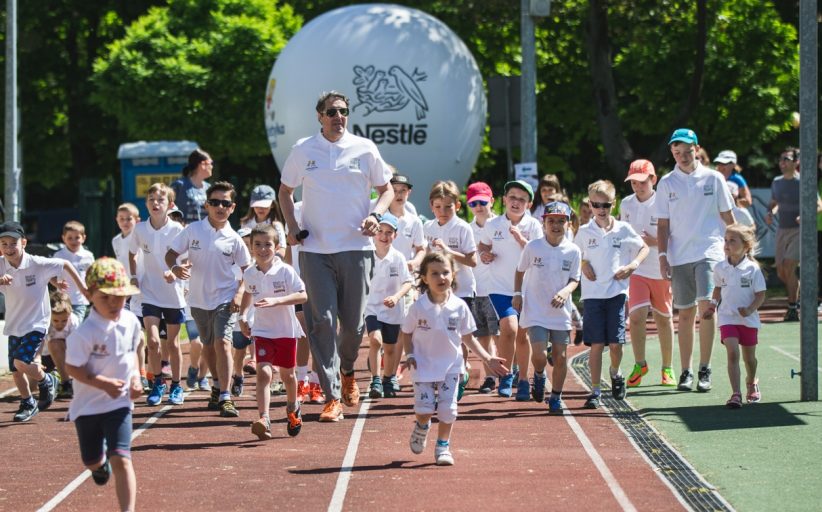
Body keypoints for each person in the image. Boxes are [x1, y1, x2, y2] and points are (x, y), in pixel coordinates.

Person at [278, 90, 394, 422]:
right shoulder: (303, 149)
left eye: (343, 111)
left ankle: (347, 371)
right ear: (320, 116)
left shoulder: (365, 148)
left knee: (354, 327)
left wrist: (376, 215)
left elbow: (385, 190)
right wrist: (292, 226)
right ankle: (331, 397)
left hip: (357, 248)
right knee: (322, 323)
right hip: (315, 250)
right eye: (331, 112)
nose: (338, 117)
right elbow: (285, 191)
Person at [401, 252, 507, 466]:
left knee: (448, 409)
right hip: (422, 365)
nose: (441, 277)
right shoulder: (418, 307)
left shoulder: (459, 306)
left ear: (453, 275)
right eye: (434, 273)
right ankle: (422, 426)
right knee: (424, 410)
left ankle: (443, 446)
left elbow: (468, 338)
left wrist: (488, 358)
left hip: (451, 365)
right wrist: (410, 354)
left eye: (445, 272)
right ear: (424, 278)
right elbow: (406, 333)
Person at [656, 128, 735, 392]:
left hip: (709, 252)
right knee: (686, 314)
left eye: (687, 151)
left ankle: (705, 368)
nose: (683, 156)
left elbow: (728, 218)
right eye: (677, 152)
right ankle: (686, 371)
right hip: (679, 256)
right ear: (672, 153)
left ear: (697, 149)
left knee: (707, 309)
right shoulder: (666, 183)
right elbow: (663, 225)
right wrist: (663, 256)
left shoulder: (714, 178)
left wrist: (738, 250)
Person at [166, 181, 252, 418]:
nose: (220, 207)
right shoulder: (193, 230)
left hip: (225, 299)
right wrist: (175, 268)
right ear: (207, 205)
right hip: (198, 300)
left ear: (232, 208)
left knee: (223, 343)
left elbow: (248, 271)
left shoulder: (234, 238)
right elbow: (171, 253)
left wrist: (238, 294)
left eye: (225, 203)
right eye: (215, 202)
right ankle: (216, 386)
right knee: (209, 346)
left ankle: (225, 396)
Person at [64, 257, 142, 512]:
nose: (113, 303)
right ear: (89, 295)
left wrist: (136, 377)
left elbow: (133, 352)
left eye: (119, 297)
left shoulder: (130, 321)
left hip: (119, 404)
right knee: (92, 460)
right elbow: (72, 368)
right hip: (87, 407)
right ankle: (99, 467)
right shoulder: (83, 334)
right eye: (105, 297)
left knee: (121, 458)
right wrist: (103, 383)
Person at [0, 221, 89, 422]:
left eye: (13, 243)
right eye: (4, 244)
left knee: (21, 362)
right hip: (14, 324)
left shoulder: (37, 262)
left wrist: (82, 288)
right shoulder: (1, 264)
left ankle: (47, 379)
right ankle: (27, 402)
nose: (9, 248)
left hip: (37, 323)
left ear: (23, 243)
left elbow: (65, 264)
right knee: (15, 371)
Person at [575, 180, 648, 409]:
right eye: (596, 205)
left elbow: (644, 248)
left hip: (617, 293)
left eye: (605, 205)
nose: (601, 209)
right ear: (590, 205)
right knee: (596, 344)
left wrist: (633, 265)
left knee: (616, 345)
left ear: (613, 204)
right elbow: (574, 255)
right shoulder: (584, 232)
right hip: (593, 295)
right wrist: (583, 264)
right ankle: (595, 390)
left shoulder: (623, 229)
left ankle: (616, 373)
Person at [478, 180, 543, 400]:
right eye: (512, 197)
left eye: (522, 199)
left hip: (526, 288)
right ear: (504, 199)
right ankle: (506, 376)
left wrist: (521, 240)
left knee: (522, 335)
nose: (516, 202)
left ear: (529, 204)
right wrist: (484, 254)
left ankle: (523, 379)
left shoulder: (533, 226)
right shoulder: (492, 224)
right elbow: (483, 244)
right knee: (509, 327)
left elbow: (539, 255)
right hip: (499, 287)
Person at [240, 223, 307, 438]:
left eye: (267, 244)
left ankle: (293, 408)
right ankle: (264, 418)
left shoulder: (285, 270)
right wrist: (243, 316)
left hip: (286, 331)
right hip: (262, 331)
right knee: (263, 373)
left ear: (276, 247)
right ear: (251, 247)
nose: (262, 249)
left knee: (288, 375)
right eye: (257, 244)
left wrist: (277, 301)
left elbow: (303, 295)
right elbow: (248, 293)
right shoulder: (250, 273)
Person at [513, 201, 580, 413]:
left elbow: (575, 279)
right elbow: (519, 271)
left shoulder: (573, 251)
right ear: (544, 223)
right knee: (540, 355)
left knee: (560, 357)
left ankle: (556, 397)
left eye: (561, 221)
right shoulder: (533, 247)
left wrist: (565, 291)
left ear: (568, 224)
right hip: (536, 309)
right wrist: (517, 294)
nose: (556, 225)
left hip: (560, 311)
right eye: (551, 221)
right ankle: (539, 375)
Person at [619, 160, 677, 388]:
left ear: (653, 180)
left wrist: (655, 242)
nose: (638, 186)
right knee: (636, 317)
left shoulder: (664, 202)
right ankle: (640, 364)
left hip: (661, 270)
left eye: (642, 182)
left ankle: (667, 368)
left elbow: (676, 235)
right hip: (637, 270)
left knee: (663, 319)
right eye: (633, 182)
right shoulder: (626, 204)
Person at [129, 183, 187, 406]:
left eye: (160, 200)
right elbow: (132, 253)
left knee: (172, 344)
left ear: (170, 205)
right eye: (151, 199)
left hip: (173, 294)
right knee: (152, 341)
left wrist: (175, 272)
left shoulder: (178, 230)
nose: (155, 203)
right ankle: (157, 383)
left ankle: (176, 385)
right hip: (149, 293)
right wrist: (134, 276)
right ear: (146, 204)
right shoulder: (140, 229)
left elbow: (188, 259)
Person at [423, 180, 478, 399]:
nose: (443, 211)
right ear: (431, 206)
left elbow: (472, 261)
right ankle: (442, 376)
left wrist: (448, 251)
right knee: (438, 335)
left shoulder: (463, 227)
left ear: (457, 205)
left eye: (448, 206)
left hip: (462, 289)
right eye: (438, 207)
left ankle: (460, 373)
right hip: (436, 292)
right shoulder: (428, 228)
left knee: (460, 335)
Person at [703, 224, 766, 408]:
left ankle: (752, 381)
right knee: (732, 353)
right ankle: (736, 394)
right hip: (727, 318)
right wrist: (712, 306)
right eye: (725, 240)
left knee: (749, 359)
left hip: (748, 320)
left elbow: (760, 294)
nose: (727, 244)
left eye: (732, 240)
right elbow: (717, 289)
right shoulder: (720, 267)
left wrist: (750, 309)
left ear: (746, 246)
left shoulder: (753, 269)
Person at [765, 147, 822, 321]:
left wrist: (804, 215)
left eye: (786, 159)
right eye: (781, 159)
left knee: (789, 266)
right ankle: (798, 300)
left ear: (796, 162)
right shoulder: (776, 182)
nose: (782, 163)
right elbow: (774, 203)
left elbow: (819, 205)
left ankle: (792, 308)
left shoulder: (804, 181)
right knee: (781, 271)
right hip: (782, 230)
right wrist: (771, 212)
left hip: (799, 231)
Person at [364, 212, 414, 398]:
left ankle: (388, 378)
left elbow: (408, 282)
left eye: (389, 232)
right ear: (374, 233)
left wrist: (396, 297)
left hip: (393, 310)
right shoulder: (366, 254)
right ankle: (375, 380)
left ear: (395, 235)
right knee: (375, 340)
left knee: (390, 348)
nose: (384, 236)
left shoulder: (398, 257)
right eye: (380, 231)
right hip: (372, 308)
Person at [466, 181, 501, 394]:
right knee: (483, 337)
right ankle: (489, 377)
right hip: (475, 290)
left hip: (498, 290)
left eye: (482, 202)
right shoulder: (467, 230)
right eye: (473, 203)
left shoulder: (501, 226)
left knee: (501, 336)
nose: (478, 207)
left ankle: (508, 372)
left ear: (492, 201)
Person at [112, 203, 148, 391]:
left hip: (146, 291)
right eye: (122, 219)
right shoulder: (116, 241)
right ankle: (136, 373)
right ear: (117, 221)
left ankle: (147, 372)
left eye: (129, 219)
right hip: (126, 294)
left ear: (137, 220)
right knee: (134, 335)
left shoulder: (141, 237)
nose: (125, 222)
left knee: (148, 337)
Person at [54, 220, 95, 319]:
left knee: (76, 324)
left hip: (80, 300)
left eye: (77, 237)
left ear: (83, 238)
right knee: (63, 325)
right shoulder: (58, 255)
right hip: (62, 300)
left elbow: (92, 276)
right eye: (70, 238)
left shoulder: (88, 256)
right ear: (63, 238)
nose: (73, 241)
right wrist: (57, 283)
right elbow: (50, 275)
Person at [385, 174, 425, 272]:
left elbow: (421, 249)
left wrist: (415, 262)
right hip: (382, 273)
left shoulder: (415, 222)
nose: (399, 194)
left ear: (409, 192)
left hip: (405, 274)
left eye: (403, 190)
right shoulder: (379, 217)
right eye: (394, 190)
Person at [46, 291, 80, 399]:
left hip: (66, 354)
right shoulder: (45, 320)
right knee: (32, 386)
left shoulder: (74, 321)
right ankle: (54, 375)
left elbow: (76, 347)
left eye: (64, 320)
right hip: (45, 357)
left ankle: (66, 383)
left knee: (56, 343)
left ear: (69, 315)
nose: (59, 324)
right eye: (55, 320)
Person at [240, 184, 287, 259]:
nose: (260, 209)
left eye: (264, 206)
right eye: (257, 205)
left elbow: (282, 249)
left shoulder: (276, 225)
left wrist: (272, 262)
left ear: (272, 205)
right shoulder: (245, 223)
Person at [171, 148, 213, 224]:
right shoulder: (179, 186)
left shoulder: (209, 188)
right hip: (183, 230)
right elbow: (168, 209)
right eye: (210, 163)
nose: (212, 166)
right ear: (203, 164)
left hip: (204, 230)